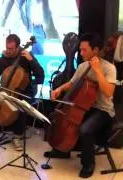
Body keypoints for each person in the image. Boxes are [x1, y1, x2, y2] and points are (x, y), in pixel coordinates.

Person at [44, 33, 117, 178]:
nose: (80, 53)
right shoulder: (83, 66)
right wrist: (58, 90)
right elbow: (71, 83)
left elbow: (108, 92)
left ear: (95, 50)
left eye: (84, 50)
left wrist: (97, 70)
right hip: (85, 106)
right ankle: (62, 150)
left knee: (85, 129)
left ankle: (88, 163)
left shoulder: (109, 68)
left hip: (103, 110)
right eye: (80, 49)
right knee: (59, 117)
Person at [0, 34, 44, 150]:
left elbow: (40, 76)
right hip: (5, 89)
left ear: (18, 47)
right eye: (7, 48)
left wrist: (32, 60)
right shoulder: (3, 59)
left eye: (11, 49)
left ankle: (17, 136)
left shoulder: (26, 57)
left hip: (23, 91)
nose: (8, 51)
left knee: (21, 103)